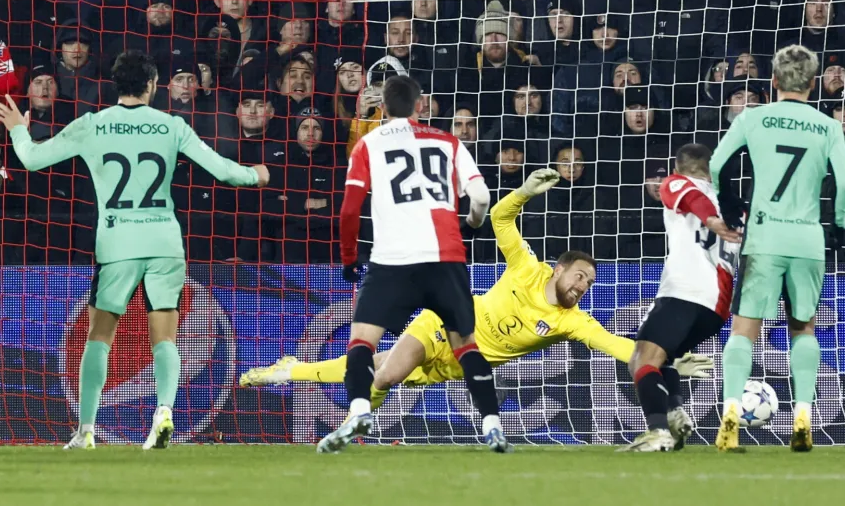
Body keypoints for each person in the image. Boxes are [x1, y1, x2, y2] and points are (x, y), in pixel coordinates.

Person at [241, 169, 716, 433]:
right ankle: (352, 426)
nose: (583, 287)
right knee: (387, 373)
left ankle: (291, 369)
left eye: (589, 284)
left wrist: (659, 362)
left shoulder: (574, 321)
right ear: (559, 268)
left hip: (456, 365)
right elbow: (502, 221)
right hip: (443, 327)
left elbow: (616, 344)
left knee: (372, 367)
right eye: (580, 276)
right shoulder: (526, 267)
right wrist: (525, 192)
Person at [0, 50, 270, 451]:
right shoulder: (172, 125)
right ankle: (163, 411)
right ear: (153, 85)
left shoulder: (92, 124)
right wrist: (255, 175)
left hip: (117, 243)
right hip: (164, 242)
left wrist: (19, 128)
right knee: (165, 338)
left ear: (115, 85)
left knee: (99, 337)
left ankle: (86, 430)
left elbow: (33, 159)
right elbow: (226, 171)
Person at [318, 75, 506, 454]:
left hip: (392, 262)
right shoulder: (449, 142)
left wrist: (349, 258)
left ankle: (358, 411)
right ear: (420, 106)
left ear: (382, 108)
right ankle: (492, 425)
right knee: (466, 346)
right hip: (445, 258)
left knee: (361, 341)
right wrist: (470, 223)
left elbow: (350, 208)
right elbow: (482, 196)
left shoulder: (368, 144)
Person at [709, 44, 845, 453]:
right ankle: (803, 417)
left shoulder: (754, 116)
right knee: (802, 327)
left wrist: (728, 202)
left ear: (773, 83)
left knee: (744, 330)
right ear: (812, 84)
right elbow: (843, 184)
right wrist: (838, 225)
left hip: (765, 236)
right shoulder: (827, 125)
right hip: (807, 238)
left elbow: (717, 164)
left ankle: (730, 417)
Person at [620, 144, 741, 453]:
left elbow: (691, 198)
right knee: (667, 360)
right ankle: (674, 412)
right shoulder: (736, 207)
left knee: (642, 360)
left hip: (684, 291)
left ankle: (659, 431)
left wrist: (712, 220)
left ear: (679, 166)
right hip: (718, 306)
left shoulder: (676, 182)